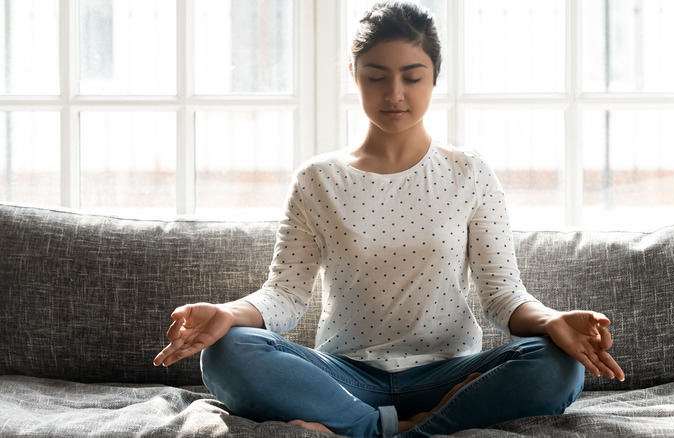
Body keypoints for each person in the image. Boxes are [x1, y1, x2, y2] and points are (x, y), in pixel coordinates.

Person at [153, 2, 624, 436]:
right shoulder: (318, 179)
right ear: (354, 76)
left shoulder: (469, 173)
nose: (394, 93)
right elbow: (285, 295)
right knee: (228, 351)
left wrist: (552, 321)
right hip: (341, 374)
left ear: (435, 77)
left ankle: (363, 430)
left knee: (557, 362)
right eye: (376, 76)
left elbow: (503, 295)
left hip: (452, 373)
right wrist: (227, 314)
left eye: (412, 76)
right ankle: (405, 429)